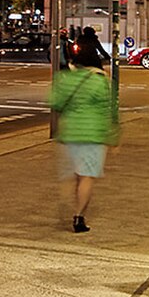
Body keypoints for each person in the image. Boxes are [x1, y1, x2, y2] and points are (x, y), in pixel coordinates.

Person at [50, 48, 119, 233]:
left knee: (72, 175)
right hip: (93, 135)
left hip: (70, 134)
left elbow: (55, 102)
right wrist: (113, 137)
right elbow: (108, 110)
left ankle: (65, 204)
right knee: (86, 176)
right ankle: (79, 216)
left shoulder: (66, 79)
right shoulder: (100, 81)